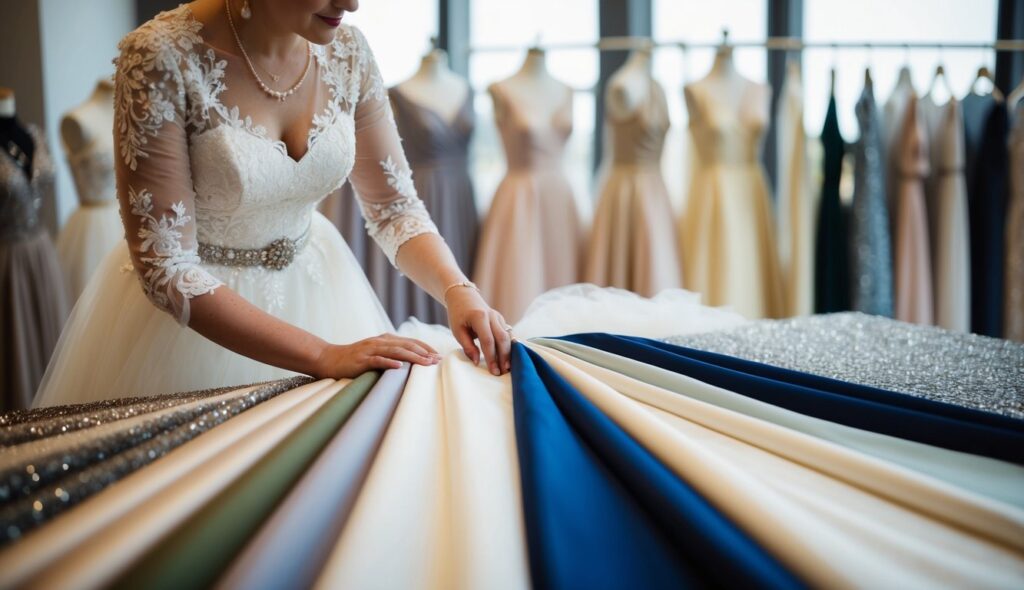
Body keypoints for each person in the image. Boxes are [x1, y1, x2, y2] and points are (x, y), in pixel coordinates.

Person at [32, 0, 512, 407]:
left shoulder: (350, 52)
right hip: (194, 327)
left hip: (323, 289)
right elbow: (166, 265)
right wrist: (323, 355)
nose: (352, 3)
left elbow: (394, 207)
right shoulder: (160, 58)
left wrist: (457, 289)